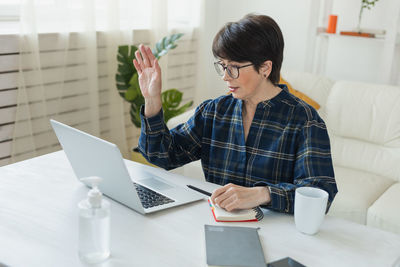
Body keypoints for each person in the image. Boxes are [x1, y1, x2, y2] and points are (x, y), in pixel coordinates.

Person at [133, 13, 337, 214]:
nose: (225, 76)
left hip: (278, 234)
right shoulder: (213, 112)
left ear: (265, 68)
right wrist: (152, 100)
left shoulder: (305, 120)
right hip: (217, 224)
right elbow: (161, 155)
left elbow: (320, 193)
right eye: (222, 66)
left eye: (234, 68)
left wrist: (263, 194)